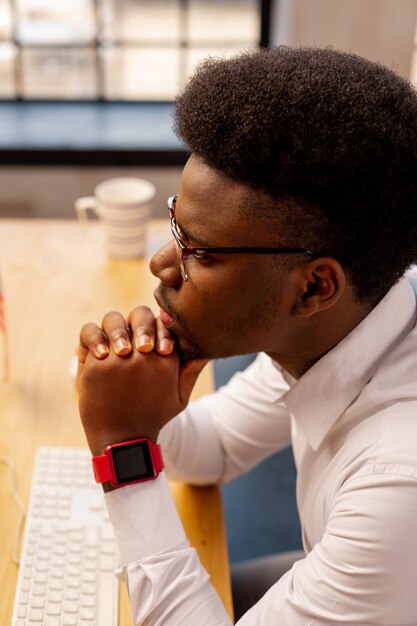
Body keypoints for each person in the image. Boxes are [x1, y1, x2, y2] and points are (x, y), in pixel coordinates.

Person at [77, 46, 417, 624]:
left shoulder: (398, 489)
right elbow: (214, 448)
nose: (161, 264)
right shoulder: (349, 320)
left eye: (200, 253)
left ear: (314, 288)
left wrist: (124, 451)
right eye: (175, 228)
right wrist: (131, 387)